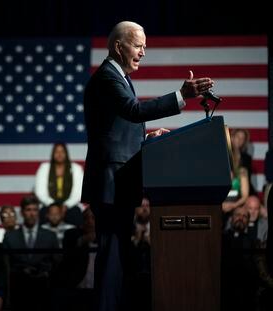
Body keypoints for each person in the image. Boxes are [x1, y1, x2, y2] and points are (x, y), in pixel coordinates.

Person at [81, 21, 215, 310]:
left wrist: (146, 136)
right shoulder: (107, 77)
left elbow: (118, 126)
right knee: (112, 261)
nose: (143, 52)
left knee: (119, 260)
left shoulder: (119, 77)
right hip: (112, 182)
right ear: (119, 46)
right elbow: (132, 110)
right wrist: (181, 96)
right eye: (138, 45)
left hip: (120, 182)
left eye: (144, 47)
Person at [35, 142, 84, 226]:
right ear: (53, 154)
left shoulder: (76, 168)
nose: (59, 154)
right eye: (57, 152)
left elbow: (78, 192)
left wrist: (66, 205)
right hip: (49, 205)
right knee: (42, 214)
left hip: (70, 206)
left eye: (62, 151)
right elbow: (40, 191)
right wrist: (53, 206)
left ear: (66, 153)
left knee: (76, 214)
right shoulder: (44, 167)